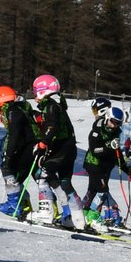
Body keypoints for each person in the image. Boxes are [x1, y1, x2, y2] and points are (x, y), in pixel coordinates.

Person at [30, 74, 84, 228]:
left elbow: (51, 126)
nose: (34, 96)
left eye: (35, 91)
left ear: (43, 91)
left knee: (43, 176)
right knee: (65, 182)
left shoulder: (51, 106)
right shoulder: (57, 105)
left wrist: (43, 142)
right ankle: (76, 217)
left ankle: (45, 214)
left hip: (60, 149)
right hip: (69, 149)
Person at [80, 100, 131, 231]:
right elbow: (94, 149)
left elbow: (117, 153)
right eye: (112, 121)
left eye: (117, 123)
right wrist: (108, 146)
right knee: (102, 191)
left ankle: (84, 214)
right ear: (107, 117)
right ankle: (93, 217)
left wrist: (125, 168)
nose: (114, 125)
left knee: (92, 190)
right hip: (94, 164)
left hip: (105, 166)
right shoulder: (98, 128)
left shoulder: (116, 132)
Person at [0, 85, 39, 217]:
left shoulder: (12, 111)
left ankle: (14, 205)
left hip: (28, 147)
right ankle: (23, 205)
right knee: (18, 177)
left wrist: (9, 155)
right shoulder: (18, 108)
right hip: (30, 146)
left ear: (1, 101)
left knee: (7, 169)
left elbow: (14, 135)